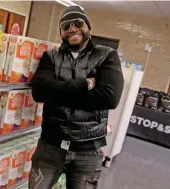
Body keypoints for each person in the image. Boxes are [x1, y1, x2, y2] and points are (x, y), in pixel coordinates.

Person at [29, 5, 124, 189]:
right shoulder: (51, 56)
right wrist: (84, 84)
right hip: (50, 147)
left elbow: (109, 98)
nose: (72, 29)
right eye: (66, 26)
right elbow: (39, 92)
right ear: (61, 33)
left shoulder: (106, 55)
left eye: (78, 23)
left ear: (88, 27)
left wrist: (56, 92)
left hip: (87, 152)